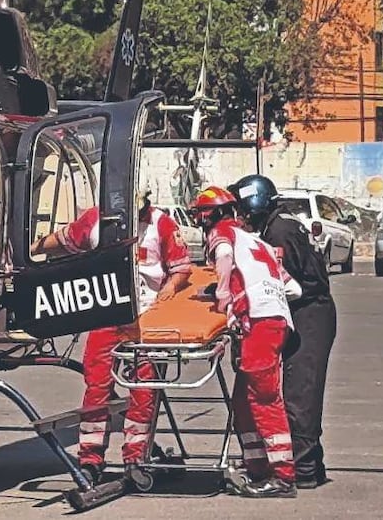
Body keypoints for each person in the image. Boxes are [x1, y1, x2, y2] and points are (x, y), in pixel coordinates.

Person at [31, 191, 194, 486]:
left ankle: (136, 456)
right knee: (96, 386)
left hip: (144, 318)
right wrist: (32, 249)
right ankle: (91, 458)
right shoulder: (95, 220)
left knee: (144, 389)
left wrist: (168, 291)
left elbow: (181, 269)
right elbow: (65, 239)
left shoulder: (162, 224)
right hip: (105, 315)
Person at [188, 185, 300, 498]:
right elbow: (294, 289)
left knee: (264, 399)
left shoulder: (222, 234)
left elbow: (223, 257)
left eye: (202, 214)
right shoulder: (258, 242)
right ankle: (257, 468)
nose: (201, 221)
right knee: (243, 401)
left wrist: (224, 293)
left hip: (261, 323)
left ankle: (282, 477)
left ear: (212, 214)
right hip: (273, 321)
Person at [228, 174, 336, 490]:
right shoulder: (279, 224)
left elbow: (282, 282)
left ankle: (302, 470)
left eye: (242, 209)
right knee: (299, 390)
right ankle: (309, 467)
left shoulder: (280, 231)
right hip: (306, 309)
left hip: (310, 311)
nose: (241, 217)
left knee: (300, 392)